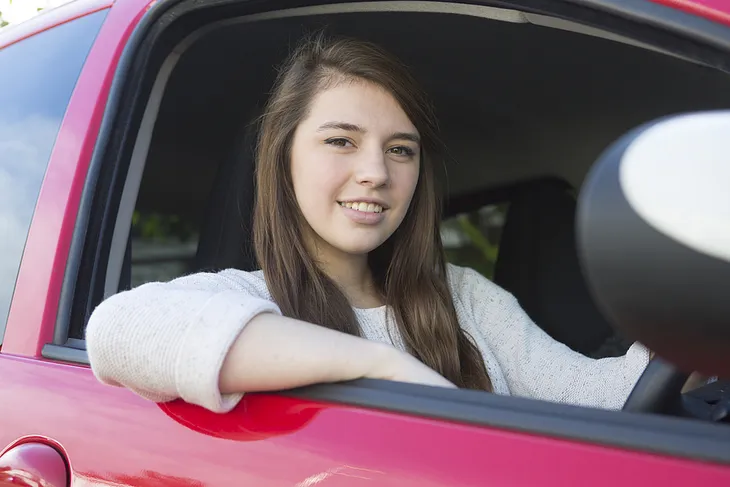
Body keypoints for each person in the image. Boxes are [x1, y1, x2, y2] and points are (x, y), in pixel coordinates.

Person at [85, 34, 651, 414]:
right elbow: (117, 332)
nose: (376, 172)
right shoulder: (247, 300)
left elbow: (607, 399)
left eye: (401, 150)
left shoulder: (464, 297)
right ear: (283, 159)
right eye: (341, 141)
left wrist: (695, 327)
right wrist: (383, 366)